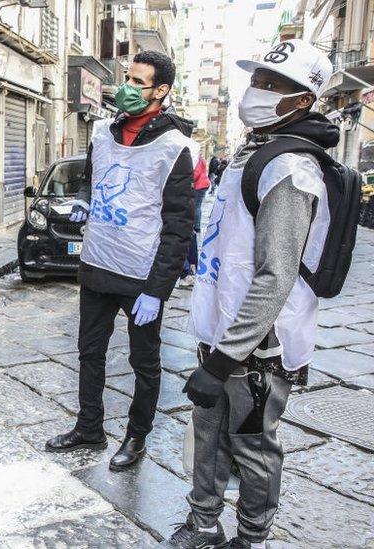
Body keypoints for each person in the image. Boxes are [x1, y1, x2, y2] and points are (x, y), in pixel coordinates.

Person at [162, 39, 337, 549]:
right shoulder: (252, 153)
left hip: (258, 349)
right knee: (208, 434)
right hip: (222, 335)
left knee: (254, 446)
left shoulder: (290, 170)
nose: (257, 90)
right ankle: (203, 523)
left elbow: (274, 278)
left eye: (273, 85)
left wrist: (223, 361)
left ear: (302, 101)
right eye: (258, 79)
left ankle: (252, 537)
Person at [46, 50, 196, 471]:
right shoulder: (100, 133)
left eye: (138, 82)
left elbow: (178, 226)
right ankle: (89, 426)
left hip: (140, 276)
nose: (127, 88)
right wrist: (84, 202)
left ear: (161, 91)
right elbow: (94, 185)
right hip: (97, 265)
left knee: (143, 363)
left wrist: (157, 290)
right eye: (126, 78)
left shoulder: (176, 147)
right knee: (89, 353)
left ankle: (136, 437)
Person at [182, 155, 212, 283]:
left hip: (196, 186)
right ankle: (190, 268)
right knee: (188, 231)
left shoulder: (194, 157)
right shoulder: (197, 156)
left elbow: (194, 174)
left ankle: (187, 271)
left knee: (184, 229)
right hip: (199, 185)